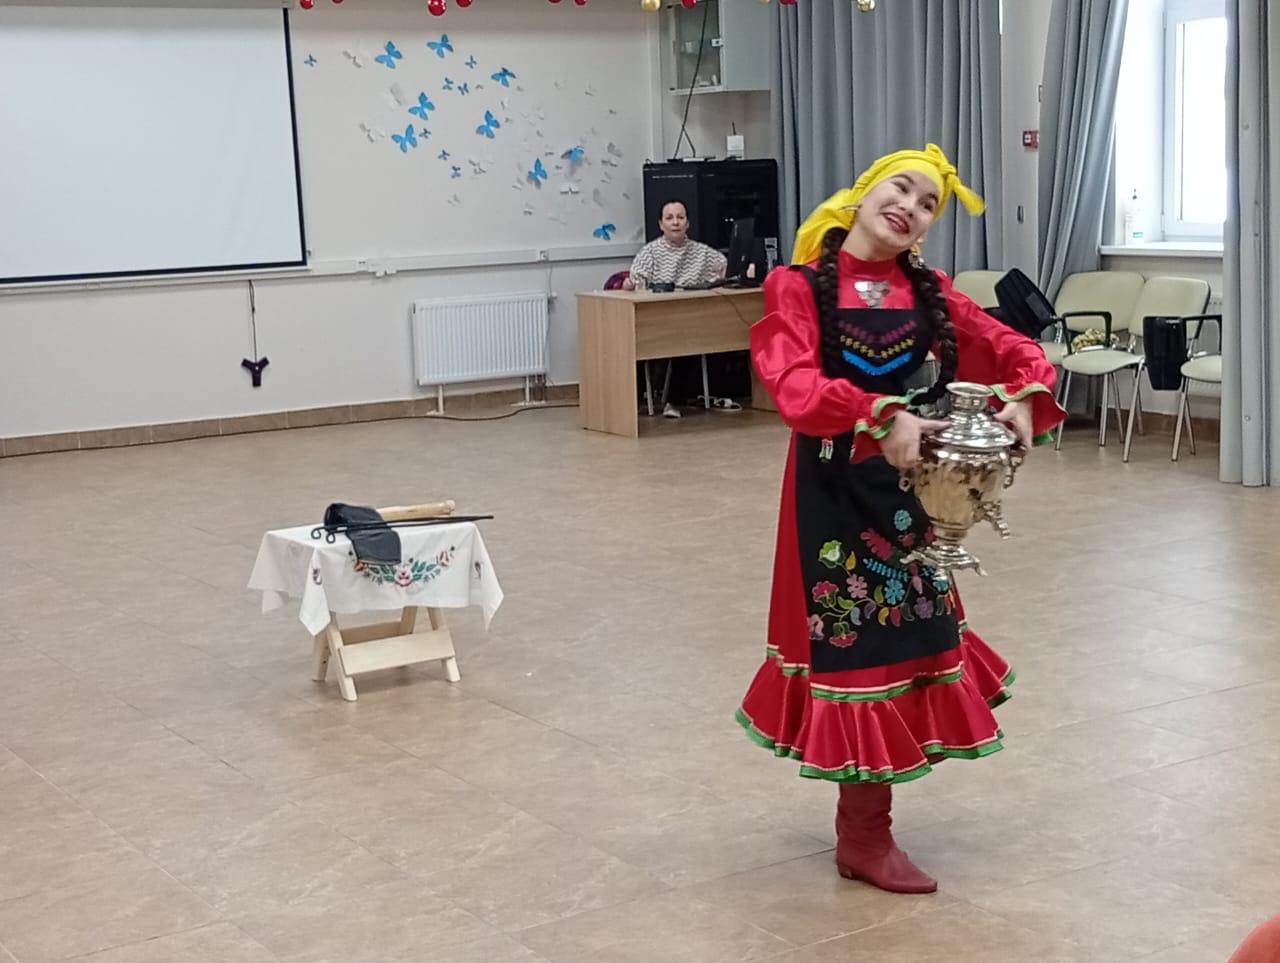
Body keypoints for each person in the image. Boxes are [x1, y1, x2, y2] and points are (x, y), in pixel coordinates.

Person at [735, 143, 1066, 895]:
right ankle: (864, 836)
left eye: (928, 205)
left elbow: (1014, 347)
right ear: (862, 193)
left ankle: (866, 830)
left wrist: (1024, 395)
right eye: (903, 188)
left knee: (909, 642)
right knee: (855, 652)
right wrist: (879, 413)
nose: (911, 208)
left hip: (911, 496)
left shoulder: (929, 289)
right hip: (829, 495)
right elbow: (793, 384)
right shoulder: (796, 286)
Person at [623, 200, 737, 417]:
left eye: (680, 217)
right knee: (670, 338)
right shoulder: (649, 253)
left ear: (687, 223)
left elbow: (726, 269)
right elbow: (635, 283)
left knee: (690, 335)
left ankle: (675, 401)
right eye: (669, 218)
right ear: (661, 224)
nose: (675, 223)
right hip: (655, 320)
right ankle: (639, 402)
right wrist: (630, 286)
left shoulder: (702, 252)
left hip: (688, 319)